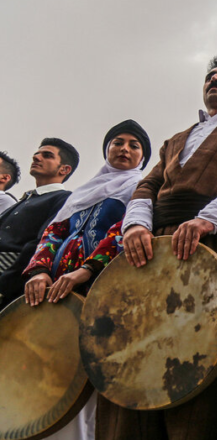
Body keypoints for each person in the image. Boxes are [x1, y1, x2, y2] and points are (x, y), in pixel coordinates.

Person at [101, 55, 217, 440]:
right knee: (133, 351)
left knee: (198, 355)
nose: (214, 79)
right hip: (151, 246)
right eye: (210, 76)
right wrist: (135, 226)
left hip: (215, 239)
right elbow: (146, 186)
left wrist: (207, 220)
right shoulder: (175, 139)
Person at [18, 120, 150, 440]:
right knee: (47, 372)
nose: (124, 149)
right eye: (118, 142)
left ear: (143, 158)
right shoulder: (81, 194)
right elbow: (53, 233)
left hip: (104, 291)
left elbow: (123, 231)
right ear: (106, 150)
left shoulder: (142, 187)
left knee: (88, 378)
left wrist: (88, 269)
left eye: (134, 146)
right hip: (57, 293)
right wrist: (39, 272)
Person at [0, 138, 77, 308]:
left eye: (47, 155)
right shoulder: (24, 200)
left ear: (64, 169)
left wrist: (5, 285)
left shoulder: (64, 199)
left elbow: (42, 242)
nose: (36, 158)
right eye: (36, 154)